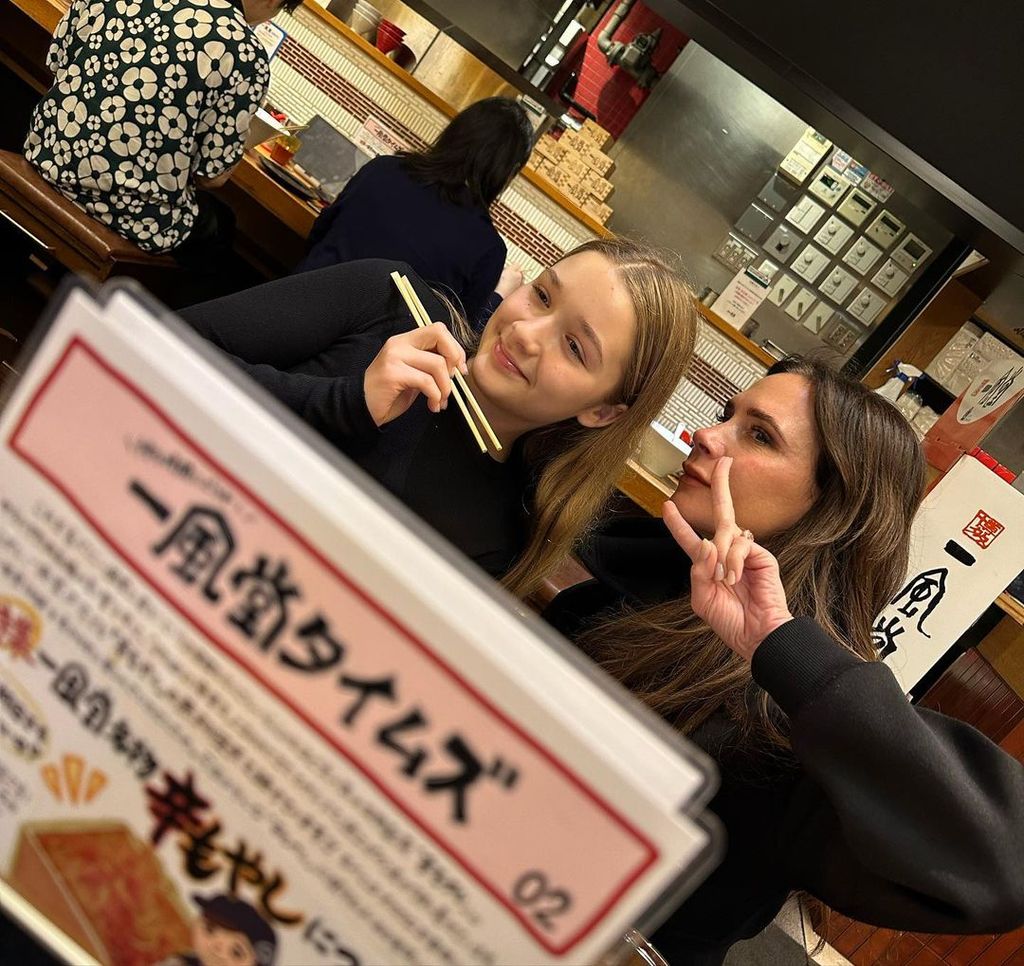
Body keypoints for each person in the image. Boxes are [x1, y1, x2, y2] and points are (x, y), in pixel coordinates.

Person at [543, 357, 1024, 965]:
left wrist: (783, 647)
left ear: (833, 511)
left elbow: (1005, 866)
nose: (707, 435)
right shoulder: (615, 597)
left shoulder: (785, 734)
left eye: (759, 435)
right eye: (727, 416)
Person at [179, 238, 698, 590]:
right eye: (541, 295)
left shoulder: (497, 536)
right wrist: (345, 402)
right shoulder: (388, 300)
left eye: (575, 348)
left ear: (604, 412)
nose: (525, 332)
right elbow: (151, 336)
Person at [24, 0, 301, 264]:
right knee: (221, 230)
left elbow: (58, 60)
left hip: (46, 152)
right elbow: (212, 176)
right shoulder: (245, 52)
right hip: (122, 209)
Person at [294, 97, 534, 323]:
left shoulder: (383, 169)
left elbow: (321, 231)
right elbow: (459, 339)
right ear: (508, 171)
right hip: (355, 360)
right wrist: (500, 295)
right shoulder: (486, 249)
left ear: (455, 132)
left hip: (293, 304)